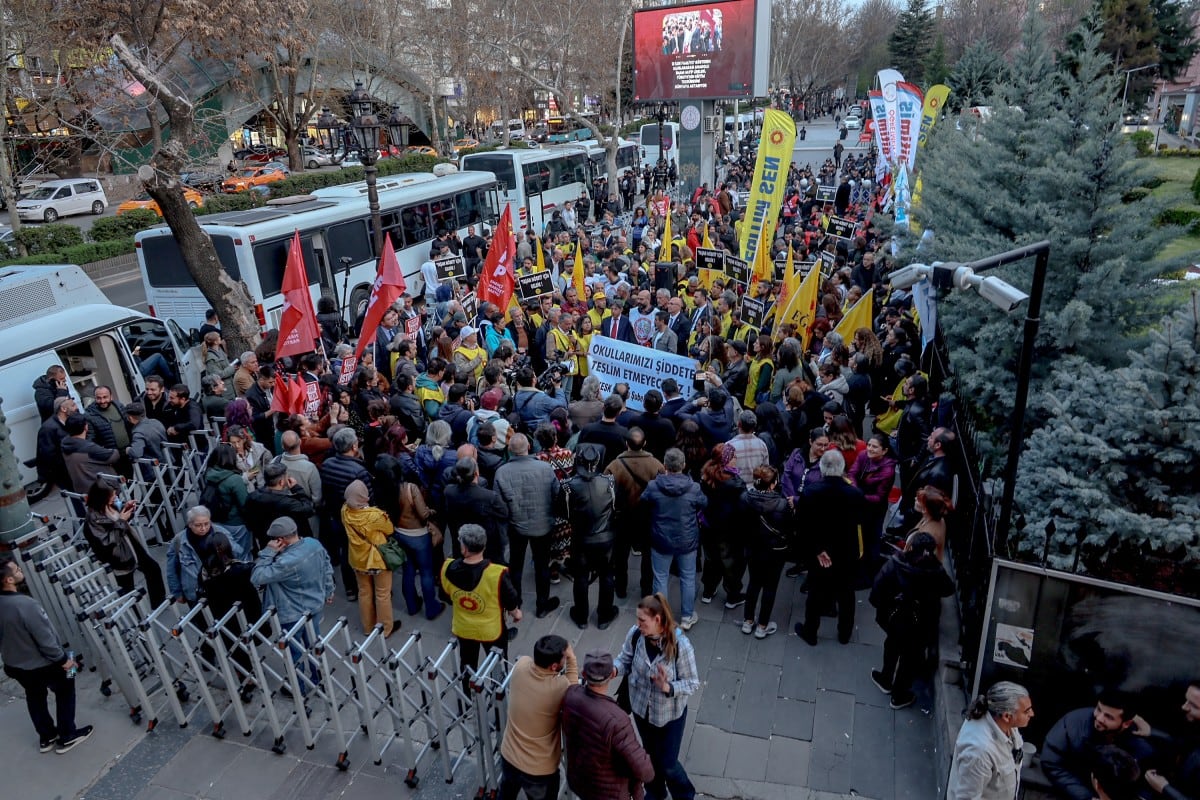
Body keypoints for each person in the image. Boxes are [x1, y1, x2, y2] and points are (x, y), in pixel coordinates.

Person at [0, 555, 93, 754]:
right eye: (16, 570)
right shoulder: (26, 605)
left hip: (14, 665)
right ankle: (67, 734)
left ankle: (47, 736)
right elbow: (46, 639)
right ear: (8, 580)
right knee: (68, 684)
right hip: (43, 664)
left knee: (34, 696)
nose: (20, 571)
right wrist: (64, 661)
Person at [614, 593, 700, 800]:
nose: (638, 624)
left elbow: (692, 683)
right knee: (650, 756)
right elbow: (624, 658)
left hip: (669, 716)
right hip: (641, 709)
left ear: (658, 620)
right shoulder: (636, 635)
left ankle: (685, 795)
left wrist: (667, 686)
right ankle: (655, 792)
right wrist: (614, 670)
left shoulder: (681, 646)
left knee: (668, 764)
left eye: (642, 620)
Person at [867, 532, 954, 709]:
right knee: (910, 657)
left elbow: (877, 590)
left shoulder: (895, 564)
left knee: (892, 645)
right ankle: (899, 695)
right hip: (922, 623)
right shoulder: (936, 571)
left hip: (895, 617)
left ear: (911, 546)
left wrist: (883, 608)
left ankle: (886, 679)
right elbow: (948, 589)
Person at [250, 517, 335, 687]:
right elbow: (327, 567)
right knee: (314, 646)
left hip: (291, 614)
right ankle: (320, 680)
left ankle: (298, 689)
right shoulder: (313, 544)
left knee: (294, 654)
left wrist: (268, 553)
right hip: (315, 606)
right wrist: (329, 590)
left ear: (280, 540)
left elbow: (257, 577)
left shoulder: (285, 562)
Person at [561, 650, 655, 800]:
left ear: (584, 674)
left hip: (579, 780)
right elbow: (645, 771)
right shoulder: (617, 719)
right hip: (609, 793)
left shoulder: (570, 695)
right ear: (611, 675)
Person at [795, 450, 864, 646]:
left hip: (820, 554)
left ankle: (811, 632)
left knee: (816, 592)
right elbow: (861, 522)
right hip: (846, 552)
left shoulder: (810, 492)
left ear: (822, 469)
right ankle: (844, 633)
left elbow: (803, 525)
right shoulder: (855, 494)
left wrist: (817, 549)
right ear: (842, 468)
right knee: (846, 594)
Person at [497, 635, 578, 800]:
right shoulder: (559, 687)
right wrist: (572, 659)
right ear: (554, 666)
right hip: (538, 770)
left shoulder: (520, 666)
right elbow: (574, 692)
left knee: (506, 794)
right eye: (564, 657)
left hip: (509, 756)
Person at [495, 434, 561, 619]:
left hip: (517, 527)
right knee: (542, 565)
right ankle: (542, 605)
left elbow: (499, 504)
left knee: (516, 565)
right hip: (543, 525)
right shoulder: (545, 468)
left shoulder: (502, 472)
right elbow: (556, 494)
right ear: (529, 446)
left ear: (509, 450)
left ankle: (516, 602)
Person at [1040, 693, 1154, 800]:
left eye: (1109, 717)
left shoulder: (1140, 745)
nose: (1099, 718)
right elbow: (1051, 762)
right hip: (1076, 788)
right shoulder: (1072, 726)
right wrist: (1087, 797)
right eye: (1099, 709)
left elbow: (1146, 783)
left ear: (1127, 723)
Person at [441, 524, 522, 674]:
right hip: (491, 629)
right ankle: (499, 690)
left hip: (464, 627)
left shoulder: (447, 568)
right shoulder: (497, 574)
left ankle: (468, 693)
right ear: (484, 546)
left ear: (464, 549)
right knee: (497, 663)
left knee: (467, 664)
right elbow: (510, 599)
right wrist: (516, 613)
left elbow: (446, 594)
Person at [641, 449, 707, 631]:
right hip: (687, 540)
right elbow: (704, 503)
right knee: (687, 577)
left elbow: (643, 501)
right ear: (683, 465)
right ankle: (687, 616)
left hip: (661, 539)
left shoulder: (654, 486)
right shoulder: (693, 488)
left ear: (664, 465)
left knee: (660, 577)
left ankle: (661, 616)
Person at [560, 442, 619, 630]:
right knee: (607, 575)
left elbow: (564, 512)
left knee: (581, 577)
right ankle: (604, 616)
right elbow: (615, 507)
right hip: (605, 537)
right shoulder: (609, 482)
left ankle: (582, 616)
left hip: (582, 538)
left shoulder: (568, 486)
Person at [83, 479, 166, 607]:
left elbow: (119, 519)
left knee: (153, 569)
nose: (115, 497)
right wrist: (122, 520)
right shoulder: (92, 519)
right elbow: (107, 542)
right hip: (118, 555)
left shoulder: (108, 506)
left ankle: (158, 604)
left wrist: (127, 509)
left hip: (130, 545)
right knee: (127, 590)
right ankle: (136, 618)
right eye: (112, 495)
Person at [946, 681, 1034, 800]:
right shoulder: (979, 751)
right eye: (1026, 711)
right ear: (1007, 716)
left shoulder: (1008, 726)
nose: (1032, 714)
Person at [605, 428, 664, 601]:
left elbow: (606, 491)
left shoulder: (614, 465)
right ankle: (646, 588)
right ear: (644, 444)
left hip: (623, 517)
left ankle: (621, 588)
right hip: (647, 517)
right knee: (648, 555)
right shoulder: (656, 465)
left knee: (621, 555)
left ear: (626, 444)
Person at [738, 465, 792, 639]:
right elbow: (789, 527)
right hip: (775, 551)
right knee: (770, 586)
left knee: (753, 582)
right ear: (772, 484)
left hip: (753, 548)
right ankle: (762, 625)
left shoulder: (745, 498)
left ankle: (748, 620)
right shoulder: (782, 505)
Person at [341, 479, 397, 637]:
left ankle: (368, 627)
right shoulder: (374, 515)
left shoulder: (345, 511)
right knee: (382, 594)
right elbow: (389, 529)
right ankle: (385, 629)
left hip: (358, 559)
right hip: (377, 559)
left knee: (364, 592)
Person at [698, 443, 746, 609]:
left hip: (708, 524)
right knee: (730, 562)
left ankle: (708, 591)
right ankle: (733, 595)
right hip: (728, 529)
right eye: (733, 457)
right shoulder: (735, 484)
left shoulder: (706, 475)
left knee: (711, 559)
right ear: (725, 460)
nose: (736, 460)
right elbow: (741, 506)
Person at [166, 506, 242, 605]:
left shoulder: (221, 532)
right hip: (196, 592)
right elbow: (172, 569)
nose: (203, 528)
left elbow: (237, 554)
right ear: (190, 524)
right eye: (198, 525)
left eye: (206, 524)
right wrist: (177, 592)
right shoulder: (179, 541)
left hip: (223, 588)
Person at [1144, 680, 1200, 800]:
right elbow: (1183, 744)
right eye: (1186, 701)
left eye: (1194, 706)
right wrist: (1150, 732)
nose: (1184, 707)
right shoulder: (1193, 728)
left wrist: (1165, 788)